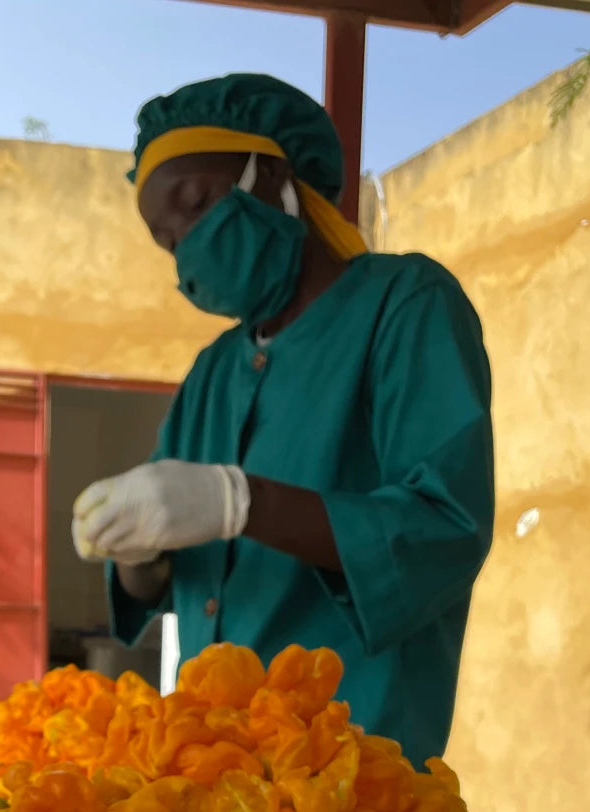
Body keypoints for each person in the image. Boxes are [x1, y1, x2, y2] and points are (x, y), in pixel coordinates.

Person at [72, 74, 494, 767]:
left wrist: (241, 501)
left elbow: (443, 529)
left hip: (351, 776)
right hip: (213, 772)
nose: (187, 250)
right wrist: (135, 553)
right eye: (167, 242)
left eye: (198, 205)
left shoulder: (405, 306)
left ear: (272, 174)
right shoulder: (212, 372)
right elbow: (169, 581)